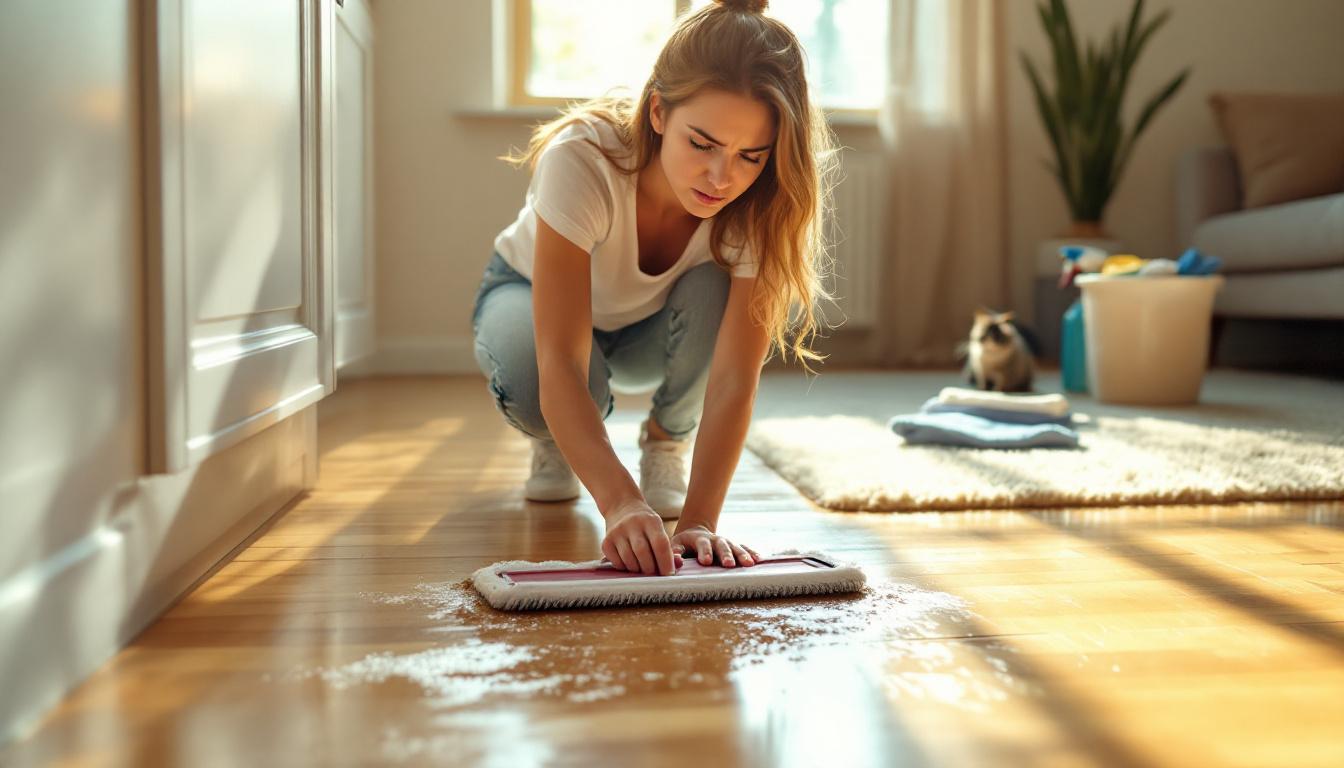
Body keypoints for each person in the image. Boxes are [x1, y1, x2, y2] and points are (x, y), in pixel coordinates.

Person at [471, 0, 837, 577]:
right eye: (703, 144)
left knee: (716, 283)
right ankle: (559, 439)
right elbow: (559, 360)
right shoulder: (583, 158)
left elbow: (734, 380)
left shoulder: (760, 206)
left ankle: (666, 442)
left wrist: (700, 521)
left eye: (750, 156)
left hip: (646, 328)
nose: (721, 178)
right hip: (527, 295)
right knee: (542, 385)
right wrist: (620, 502)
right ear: (659, 112)